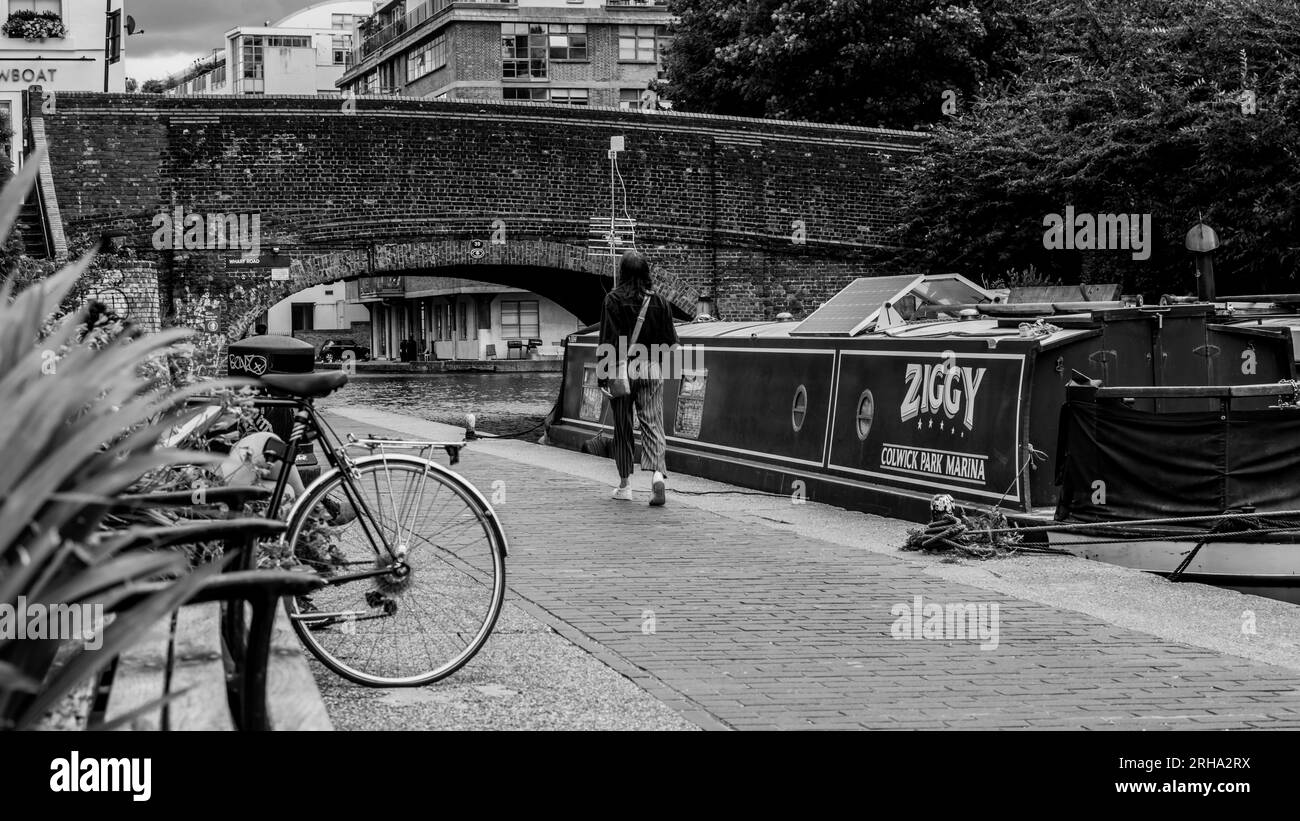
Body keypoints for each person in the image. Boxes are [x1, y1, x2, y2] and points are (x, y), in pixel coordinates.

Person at [600, 251, 680, 506]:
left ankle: (625, 486)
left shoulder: (612, 299)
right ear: (646, 273)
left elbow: (608, 340)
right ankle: (657, 475)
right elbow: (670, 343)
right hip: (651, 367)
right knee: (653, 423)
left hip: (622, 369)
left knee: (622, 428)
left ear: (623, 272)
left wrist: (604, 376)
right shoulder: (660, 301)